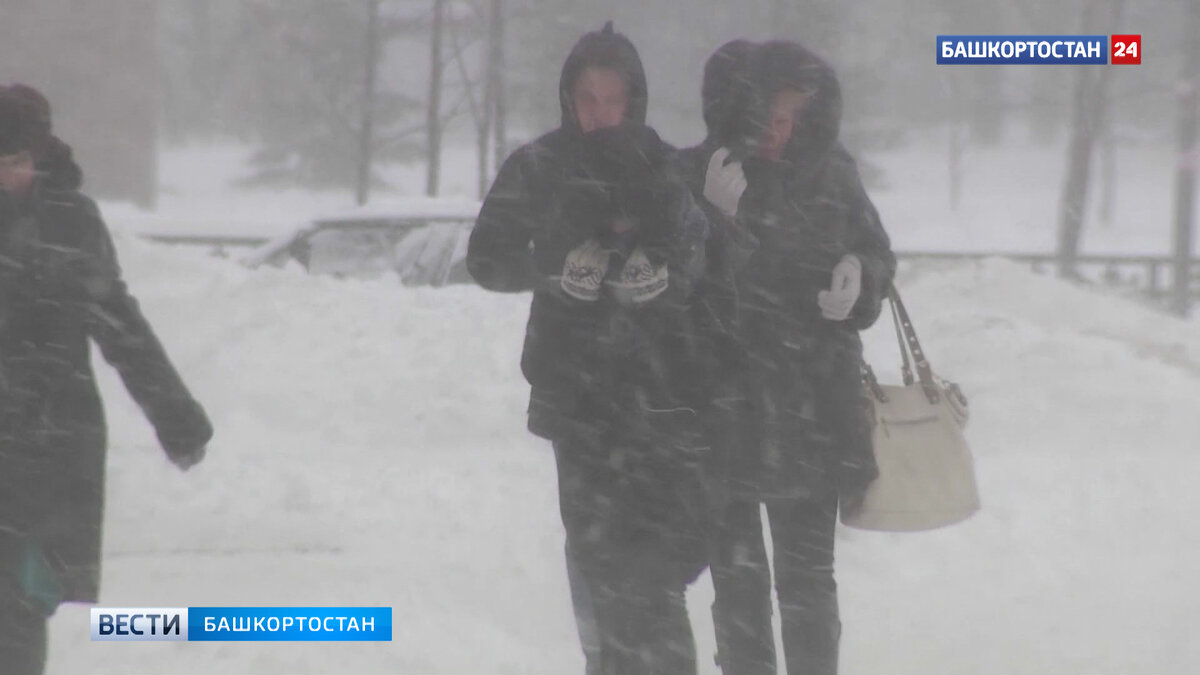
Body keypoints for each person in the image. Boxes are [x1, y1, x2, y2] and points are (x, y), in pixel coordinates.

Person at [467, 22, 710, 675]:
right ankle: (607, 658)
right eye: (588, 100)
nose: (600, 114)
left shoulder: (665, 165)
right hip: (575, 392)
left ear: (636, 100)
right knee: (596, 553)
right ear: (568, 100)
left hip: (659, 390)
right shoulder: (539, 167)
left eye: (613, 99)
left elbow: (699, 252)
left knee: (660, 560)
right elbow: (486, 258)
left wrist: (665, 277)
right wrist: (552, 272)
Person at [679, 40, 897, 675]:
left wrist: (860, 276)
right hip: (727, 405)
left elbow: (877, 253)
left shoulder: (832, 173)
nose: (782, 131)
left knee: (808, 581)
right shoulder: (706, 174)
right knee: (738, 583)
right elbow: (678, 288)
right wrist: (713, 219)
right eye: (771, 116)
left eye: (795, 117)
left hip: (810, 407)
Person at [0, 84, 212, 674]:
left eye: (15, 162)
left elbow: (119, 324)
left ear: (40, 155)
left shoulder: (71, 223)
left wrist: (176, 418)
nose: (4, 177)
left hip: (45, 446)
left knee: (21, 603)